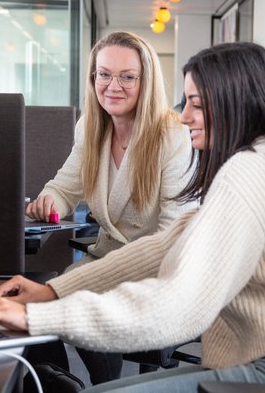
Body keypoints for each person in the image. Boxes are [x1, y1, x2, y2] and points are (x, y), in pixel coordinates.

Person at [0, 42, 265, 393]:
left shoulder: (253, 169)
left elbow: (181, 303)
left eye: (198, 105)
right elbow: (165, 245)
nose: (184, 117)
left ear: (240, 103)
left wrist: (38, 317)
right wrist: (55, 291)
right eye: (186, 103)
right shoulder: (261, 160)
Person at [25, 31, 197, 384]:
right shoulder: (91, 126)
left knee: (87, 306)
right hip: (104, 256)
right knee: (33, 309)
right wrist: (48, 202)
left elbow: (171, 237)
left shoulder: (171, 135)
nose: (112, 85)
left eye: (127, 76)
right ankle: (57, 381)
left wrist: (103, 277)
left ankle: (108, 387)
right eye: (103, 74)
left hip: (155, 268)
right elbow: (64, 187)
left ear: (145, 81)